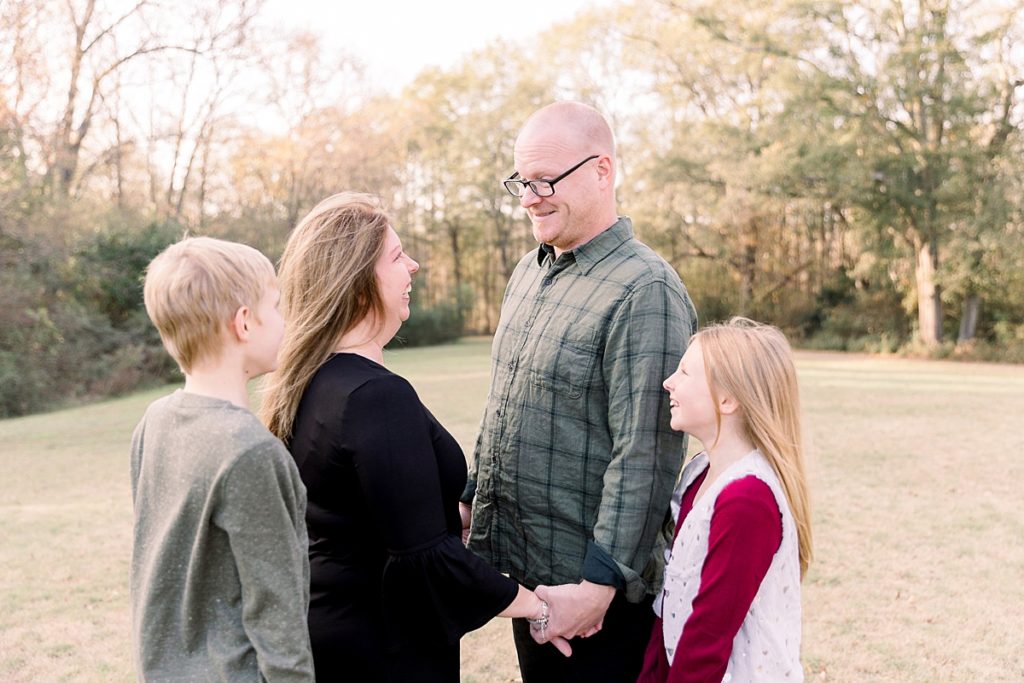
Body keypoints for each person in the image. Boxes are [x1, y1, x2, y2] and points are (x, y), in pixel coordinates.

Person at [259, 192, 556, 683]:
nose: (413, 266)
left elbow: (366, 513)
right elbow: (425, 559)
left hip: (333, 628)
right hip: (381, 646)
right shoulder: (376, 395)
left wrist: (446, 515)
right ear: (357, 288)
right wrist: (537, 605)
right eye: (397, 257)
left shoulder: (312, 380)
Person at [461, 101, 699, 682]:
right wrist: (472, 498)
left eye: (545, 180)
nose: (529, 197)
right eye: (521, 181)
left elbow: (645, 453)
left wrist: (600, 583)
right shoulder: (527, 273)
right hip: (527, 576)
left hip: (595, 600)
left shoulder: (646, 289)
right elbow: (506, 410)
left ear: (603, 171)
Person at [129, 237, 314, 682]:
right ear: (244, 323)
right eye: (276, 306)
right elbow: (277, 613)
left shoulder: (154, 421)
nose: (286, 321)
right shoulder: (249, 451)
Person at [637, 317, 813, 682]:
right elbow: (671, 605)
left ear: (728, 399)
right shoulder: (699, 474)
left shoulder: (747, 499)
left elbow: (708, 636)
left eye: (685, 372)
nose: (669, 382)